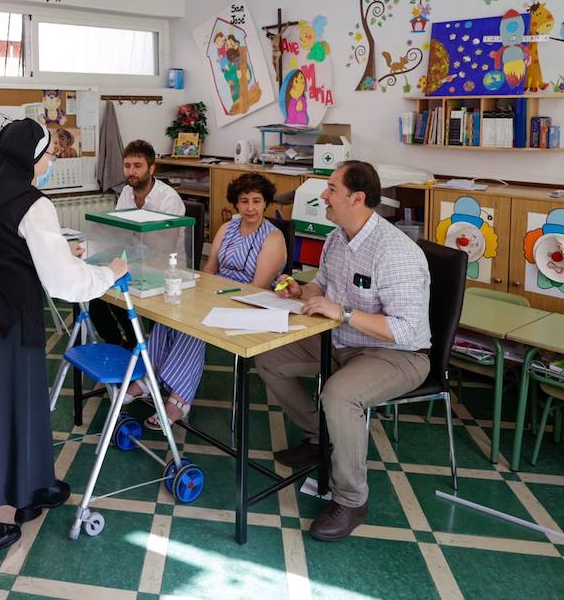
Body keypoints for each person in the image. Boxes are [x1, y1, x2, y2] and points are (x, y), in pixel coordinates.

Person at [0, 119, 127, 555]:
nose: (51, 164)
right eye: (49, 156)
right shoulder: (34, 203)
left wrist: (50, 252)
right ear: (31, 157)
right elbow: (64, 285)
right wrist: (108, 274)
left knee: (2, 403)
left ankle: (27, 484)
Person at [256, 160, 431, 542]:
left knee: (340, 394)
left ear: (358, 197)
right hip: (340, 339)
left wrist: (345, 313)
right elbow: (321, 285)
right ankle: (320, 437)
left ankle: (352, 500)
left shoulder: (395, 251)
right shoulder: (338, 237)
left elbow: (406, 329)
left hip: (398, 355)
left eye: (332, 189)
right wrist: (301, 292)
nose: (324, 195)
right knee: (266, 356)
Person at [124, 171, 286, 428]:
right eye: (244, 201)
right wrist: (196, 293)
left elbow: (257, 288)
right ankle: (148, 378)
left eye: (257, 201)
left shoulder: (273, 237)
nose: (250, 207)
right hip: (216, 292)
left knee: (195, 325)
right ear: (236, 203)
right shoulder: (227, 228)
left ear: (266, 203)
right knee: (172, 309)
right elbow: (210, 268)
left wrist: (209, 300)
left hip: (250, 304)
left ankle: (179, 400)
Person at [88, 139, 187, 347]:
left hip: (165, 270)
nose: (131, 172)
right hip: (134, 263)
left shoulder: (169, 199)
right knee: (97, 299)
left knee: (119, 297)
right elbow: (118, 232)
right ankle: (124, 347)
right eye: (127, 166)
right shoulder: (126, 192)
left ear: (152, 168)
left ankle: (139, 349)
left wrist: (131, 228)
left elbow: (164, 247)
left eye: (137, 166)